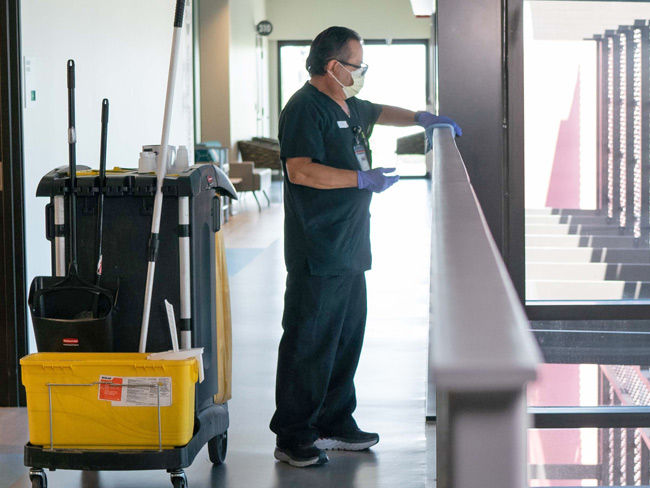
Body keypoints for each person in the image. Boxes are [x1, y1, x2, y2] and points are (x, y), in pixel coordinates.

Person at [270, 26, 461, 468]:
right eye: (357, 66)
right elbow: (300, 170)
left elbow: (378, 111)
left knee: (344, 339)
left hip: (350, 244)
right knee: (309, 342)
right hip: (318, 247)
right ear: (333, 66)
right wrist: (361, 179)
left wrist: (422, 117)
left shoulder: (348, 104)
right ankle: (294, 435)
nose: (361, 73)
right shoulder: (304, 108)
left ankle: (335, 422)